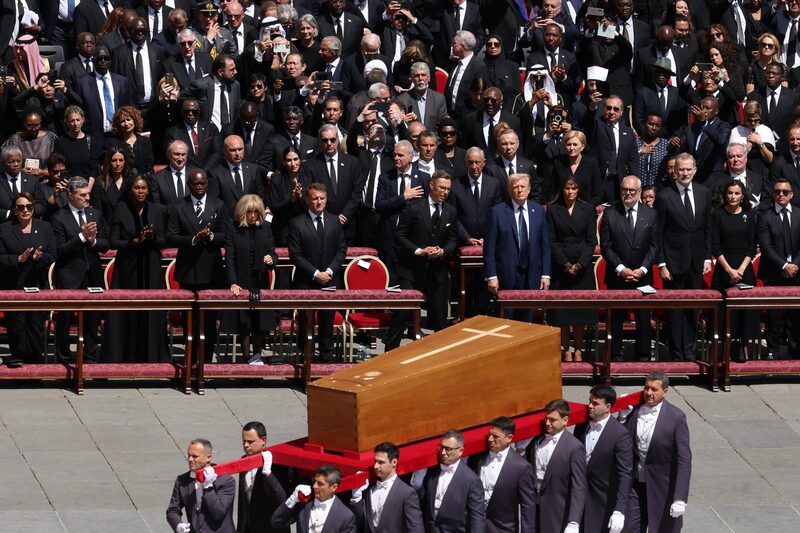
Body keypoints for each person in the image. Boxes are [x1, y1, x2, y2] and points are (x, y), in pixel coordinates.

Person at [384, 171, 458, 350]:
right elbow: (399, 236)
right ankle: (389, 351)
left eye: (448, 189)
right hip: (412, 269)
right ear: (431, 186)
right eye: (442, 188)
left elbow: (453, 240)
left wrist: (443, 251)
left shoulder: (451, 211)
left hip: (437, 270)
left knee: (440, 318)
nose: (445, 192)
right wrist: (418, 251)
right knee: (403, 313)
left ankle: (441, 357)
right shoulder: (414, 207)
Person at [167, 169, 231, 363]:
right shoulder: (179, 207)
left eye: (203, 183)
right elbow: (172, 236)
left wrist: (211, 236)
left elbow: (226, 235)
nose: (200, 187)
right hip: (189, 270)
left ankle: (205, 361)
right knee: (191, 320)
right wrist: (193, 239)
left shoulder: (218, 205)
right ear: (189, 184)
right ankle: (190, 360)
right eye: (196, 184)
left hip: (212, 271)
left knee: (209, 321)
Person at [102, 176, 169, 363]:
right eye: (137, 188)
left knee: (151, 309)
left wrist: (151, 238)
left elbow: (165, 240)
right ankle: (121, 356)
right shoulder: (121, 209)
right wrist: (135, 242)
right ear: (130, 190)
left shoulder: (157, 210)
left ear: (148, 190)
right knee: (126, 310)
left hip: (151, 265)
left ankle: (153, 357)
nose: (140, 191)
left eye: (144, 188)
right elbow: (113, 241)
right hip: (127, 266)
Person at [656, 153, 713, 361]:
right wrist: (662, 262)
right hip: (673, 263)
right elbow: (658, 232)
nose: (685, 173)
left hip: (696, 263)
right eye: (681, 169)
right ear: (675, 171)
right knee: (675, 311)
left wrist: (708, 257)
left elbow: (708, 228)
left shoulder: (704, 193)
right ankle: (676, 354)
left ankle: (690, 353)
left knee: (692, 310)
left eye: (689, 169)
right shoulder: (664, 196)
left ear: (695, 170)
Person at [600, 176, 660, 362]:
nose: (628, 193)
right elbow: (606, 246)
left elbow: (654, 246)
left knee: (643, 319)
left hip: (642, 277)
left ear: (639, 192)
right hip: (618, 276)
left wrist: (642, 269)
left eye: (632, 190)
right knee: (616, 319)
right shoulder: (610, 213)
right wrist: (620, 268)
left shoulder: (651, 214)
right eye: (624, 189)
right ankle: (615, 356)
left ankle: (642, 357)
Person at [51, 176, 110, 364]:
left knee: (92, 319)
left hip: (92, 274)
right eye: (82, 195)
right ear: (70, 195)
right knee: (65, 320)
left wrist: (92, 240)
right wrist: (82, 237)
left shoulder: (95, 214)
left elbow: (106, 244)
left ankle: (90, 358)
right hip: (69, 276)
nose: (87, 198)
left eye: (88, 194)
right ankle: (63, 359)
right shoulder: (58, 218)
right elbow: (59, 250)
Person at [624, 372, 692, 533]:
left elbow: (684, 459)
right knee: (629, 528)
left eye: (654, 389)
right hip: (635, 485)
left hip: (663, 488)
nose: (648, 393)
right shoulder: (633, 411)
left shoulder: (676, 417)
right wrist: (621, 419)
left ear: (665, 392)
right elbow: (623, 442)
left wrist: (680, 498)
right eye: (646, 388)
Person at [287, 183, 346, 363]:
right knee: (306, 323)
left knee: (327, 322)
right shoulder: (297, 223)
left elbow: (341, 250)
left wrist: (328, 271)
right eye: (315, 198)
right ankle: (307, 358)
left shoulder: (335, 221)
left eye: (322, 198)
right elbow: (295, 255)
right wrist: (315, 273)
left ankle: (326, 359)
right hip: (306, 281)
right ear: (307, 200)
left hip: (329, 280)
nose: (319, 202)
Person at [484, 174, 551, 322]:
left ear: (529, 190)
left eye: (523, 187)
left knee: (527, 318)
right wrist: (491, 276)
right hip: (506, 274)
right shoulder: (497, 212)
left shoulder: (538, 210)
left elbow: (545, 245)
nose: (519, 190)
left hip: (531, 273)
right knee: (507, 318)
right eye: (515, 187)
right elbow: (489, 248)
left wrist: (546, 274)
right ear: (509, 190)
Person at [0, 192, 56, 367]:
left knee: (35, 326)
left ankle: (36, 366)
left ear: (33, 208)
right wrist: (17, 259)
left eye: (29, 207)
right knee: (17, 326)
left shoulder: (45, 227)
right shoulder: (4, 228)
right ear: (15, 210)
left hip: (37, 284)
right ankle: (18, 363)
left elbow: (53, 253)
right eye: (20, 207)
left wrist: (41, 257)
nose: (25, 210)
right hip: (14, 284)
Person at [546, 177, 598, 362]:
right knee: (562, 312)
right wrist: (565, 264)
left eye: (573, 188)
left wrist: (579, 264)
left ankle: (578, 348)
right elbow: (551, 240)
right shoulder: (553, 209)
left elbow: (591, 241)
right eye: (567, 188)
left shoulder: (588, 208)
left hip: (582, 267)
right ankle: (566, 348)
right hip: (561, 266)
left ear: (578, 190)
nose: (570, 192)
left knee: (580, 311)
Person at [225, 195, 278, 364]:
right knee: (244, 324)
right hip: (241, 280)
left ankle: (257, 358)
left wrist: (271, 258)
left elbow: (273, 252)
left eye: (256, 212)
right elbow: (230, 258)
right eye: (249, 212)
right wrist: (232, 282)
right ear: (243, 211)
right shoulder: (233, 228)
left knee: (259, 322)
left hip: (260, 280)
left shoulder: (265, 228)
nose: (253, 215)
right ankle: (247, 358)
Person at [572, 386, 633, 533]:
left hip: (603, 502)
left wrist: (619, 510)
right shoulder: (581, 426)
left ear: (608, 407)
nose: (590, 406)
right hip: (578, 500)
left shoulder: (619, 434)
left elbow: (625, 474)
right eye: (589, 401)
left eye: (595, 403)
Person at [711, 180, 759, 362]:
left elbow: (751, 246)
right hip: (724, 268)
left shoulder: (750, 214)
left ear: (742, 196)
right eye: (730, 193)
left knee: (744, 311)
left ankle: (741, 346)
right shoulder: (718, 214)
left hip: (744, 268)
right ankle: (723, 350)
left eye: (737, 193)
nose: (733, 197)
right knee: (724, 311)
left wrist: (740, 269)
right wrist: (730, 270)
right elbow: (715, 245)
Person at [524, 399, 586, 533]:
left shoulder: (574, 447)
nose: (547, 423)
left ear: (565, 420)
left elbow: (578, 486)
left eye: (552, 420)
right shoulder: (537, 441)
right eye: (546, 419)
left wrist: (574, 521)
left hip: (558, 511)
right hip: (533, 509)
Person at [466, 417, 534, 533]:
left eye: (496, 436)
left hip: (503, 529)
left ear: (509, 438)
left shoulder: (522, 467)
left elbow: (527, 506)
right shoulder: (478, 458)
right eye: (490, 435)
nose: (490, 439)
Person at [757, 178, 800, 359]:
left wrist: (795, 265)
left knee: (795, 315)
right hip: (773, 272)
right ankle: (773, 351)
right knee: (773, 315)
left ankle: (795, 351)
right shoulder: (765, 216)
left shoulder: (799, 214)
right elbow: (766, 247)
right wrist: (784, 265)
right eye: (777, 192)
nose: (780, 195)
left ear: (791, 194)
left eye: (784, 192)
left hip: (797, 273)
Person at [414, 430, 484, 533]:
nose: (443, 452)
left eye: (448, 449)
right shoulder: (433, 472)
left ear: (460, 451)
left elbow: (476, 518)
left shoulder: (471, 480)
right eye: (441, 447)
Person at [350, 442, 424, 533]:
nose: (376, 466)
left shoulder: (406, 493)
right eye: (375, 461)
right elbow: (362, 521)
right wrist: (356, 498)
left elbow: (416, 528)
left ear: (394, 462)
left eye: (381, 462)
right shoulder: (369, 490)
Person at [166, 438, 237, 533]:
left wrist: (208, 487)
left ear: (208, 457)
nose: (190, 459)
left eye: (195, 456)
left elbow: (218, 513)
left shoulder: (225, 480)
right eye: (189, 455)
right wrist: (178, 525)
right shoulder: (182, 481)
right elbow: (172, 510)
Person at [272, 465, 357, 533]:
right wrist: (292, 499)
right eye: (315, 482)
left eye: (320, 484)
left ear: (333, 487)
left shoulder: (345, 516)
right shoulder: (304, 505)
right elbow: (277, 522)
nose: (314, 486)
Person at [238, 421, 288, 533]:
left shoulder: (277, 465)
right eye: (244, 441)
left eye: (250, 442)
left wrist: (268, 474)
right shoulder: (243, 461)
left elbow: (283, 499)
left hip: (271, 528)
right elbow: (243, 502)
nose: (246, 445)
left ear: (263, 440)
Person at [1, 108, 58, 178]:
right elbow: (3, 162)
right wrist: (19, 171)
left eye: (37, 125)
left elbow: (61, 164)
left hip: (45, 183)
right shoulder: (14, 140)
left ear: (41, 122)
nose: (33, 129)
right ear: (24, 124)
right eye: (29, 125)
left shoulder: (51, 139)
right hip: (21, 183)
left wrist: (44, 173)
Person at [553, 130, 603, 206]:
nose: (571, 148)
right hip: (562, 209)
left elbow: (599, 193)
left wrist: (588, 207)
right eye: (568, 144)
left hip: (585, 209)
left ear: (582, 146)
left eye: (575, 144)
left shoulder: (591, 164)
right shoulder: (559, 163)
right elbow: (551, 189)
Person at [54, 106, 101, 184]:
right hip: (69, 185)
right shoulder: (60, 142)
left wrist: (88, 188)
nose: (75, 124)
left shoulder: (90, 141)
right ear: (66, 122)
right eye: (72, 121)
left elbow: (94, 168)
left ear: (82, 120)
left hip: (88, 186)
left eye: (78, 120)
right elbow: (60, 167)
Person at [105, 106, 155, 178]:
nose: (126, 123)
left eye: (128, 119)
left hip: (143, 182)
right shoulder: (113, 143)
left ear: (134, 120)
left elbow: (150, 167)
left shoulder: (145, 142)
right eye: (122, 121)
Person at [0, 145, 45, 222]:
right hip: (5, 225)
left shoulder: (32, 181)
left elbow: (42, 204)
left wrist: (28, 212)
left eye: (19, 161)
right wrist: (8, 214)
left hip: (29, 224)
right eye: (11, 162)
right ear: (3, 163)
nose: (16, 164)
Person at [93, 147, 134, 227]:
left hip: (130, 229)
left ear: (125, 162)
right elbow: (98, 212)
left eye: (121, 160)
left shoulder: (131, 181)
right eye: (114, 160)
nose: (118, 164)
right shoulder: (100, 183)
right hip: (108, 230)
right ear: (109, 162)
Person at [635, 114, 670, 189]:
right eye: (651, 124)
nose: (654, 128)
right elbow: (626, 162)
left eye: (658, 125)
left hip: (659, 189)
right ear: (644, 124)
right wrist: (640, 151)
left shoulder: (665, 144)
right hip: (637, 188)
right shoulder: (634, 142)